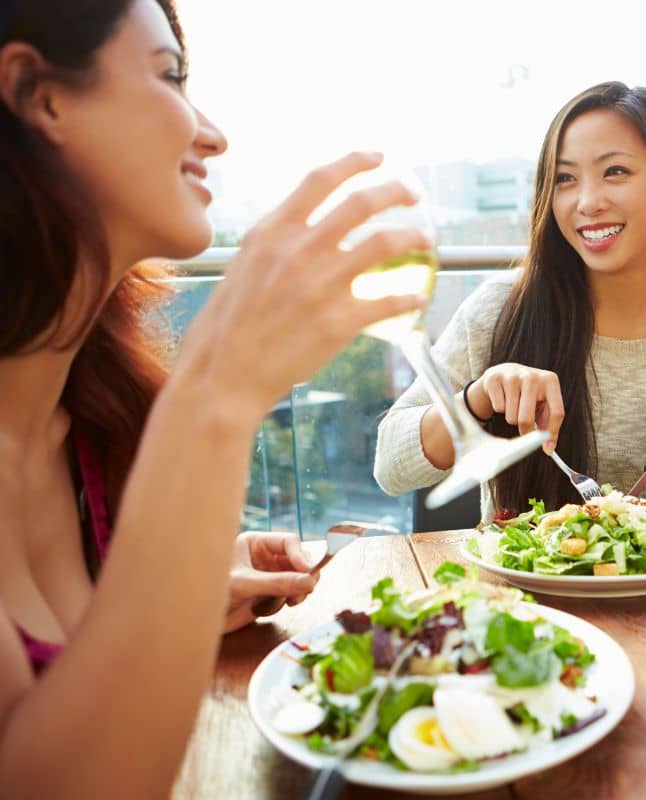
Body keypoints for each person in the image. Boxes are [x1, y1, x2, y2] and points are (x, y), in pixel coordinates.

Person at [0, 1, 427, 795]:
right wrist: (217, 392)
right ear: (38, 94)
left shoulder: (85, 422)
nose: (212, 135)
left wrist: (188, 581)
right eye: (169, 77)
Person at [374, 82, 646, 520]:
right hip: (513, 587)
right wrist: (478, 398)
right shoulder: (499, 309)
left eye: (615, 172)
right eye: (565, 179)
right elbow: (389, 466)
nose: (587, 202)